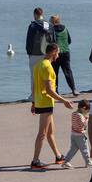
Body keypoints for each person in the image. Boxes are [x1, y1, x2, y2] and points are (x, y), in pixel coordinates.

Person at [31, 42, 73, 170]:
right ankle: (35, 161)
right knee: (42, 133)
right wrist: (64, 100)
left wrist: (33, 102)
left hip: (40, 101)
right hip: (45, 103)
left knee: (50, 132)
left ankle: (58, 156)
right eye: (58, 52)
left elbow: (34, 85)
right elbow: (49, 90)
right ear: (53, 52)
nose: (58, 55)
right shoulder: (47, 67)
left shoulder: (38, 64)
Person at [25, 7, 53, 94]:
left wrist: (29, 52)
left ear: (35, 15)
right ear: (42, 14)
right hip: (46, 54)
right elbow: (53, 40)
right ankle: (46, 92)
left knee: (34, 76)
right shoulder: (49, 25)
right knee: (45, 75)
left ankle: (33, 96)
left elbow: (29, 41)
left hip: (34, 54)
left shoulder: (33, 25)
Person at [49, 15, 77, 96]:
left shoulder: (52, 30)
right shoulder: (65, 28)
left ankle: (56, 91)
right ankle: (74, 89)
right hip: (66, 52)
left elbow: (50, 41)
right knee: (68, 71)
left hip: (55, 53)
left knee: (54, 72)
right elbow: (69, 40)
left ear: (53, 22)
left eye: (50, 21)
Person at [64, 99, 92, 167]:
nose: (87, 113)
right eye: (87, 111)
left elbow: (76, 122)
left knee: (73, 149)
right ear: (83, 108)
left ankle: (66, 161)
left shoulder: (74, 113)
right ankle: (88, 162)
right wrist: (87, 119)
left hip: (73, 134)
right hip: (80, 135)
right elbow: (83, 124)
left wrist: (84, 117)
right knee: (85, 149)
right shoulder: (80, 116)